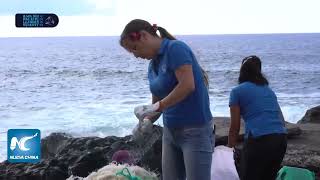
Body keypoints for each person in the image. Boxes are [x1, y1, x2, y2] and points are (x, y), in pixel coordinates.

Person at [119, 19, 214, 180]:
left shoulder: (175, 49)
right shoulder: (152, 66)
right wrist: (146, 121)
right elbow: (158, 105)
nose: (135, 55)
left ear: (143, 36)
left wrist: (157, 106)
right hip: (170, 132)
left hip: (195, 131)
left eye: (134, 48)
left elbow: (187, 85)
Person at [227, 55, 287, 180]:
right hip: (280, 140)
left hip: (259, 139)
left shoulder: (236, 91)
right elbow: (281, 121)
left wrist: (229, 150)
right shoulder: (268, 90)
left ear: (242, 72)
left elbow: (235, 126)